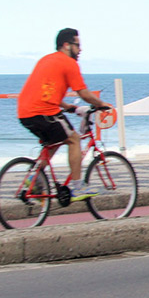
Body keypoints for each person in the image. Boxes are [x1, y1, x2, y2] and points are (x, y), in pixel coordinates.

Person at [17, 28, 109, 201]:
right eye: (77, 45)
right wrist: (101, 104)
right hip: (43, 112)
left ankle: (33, 179)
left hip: (25, 113)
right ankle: (77, 188)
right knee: (73, 139)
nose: (80, 50)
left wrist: (69, 107)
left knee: (54, 142)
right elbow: (83, 92)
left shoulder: (46, 60)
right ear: (66, 45)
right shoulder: (69, 63)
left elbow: (46, 92)